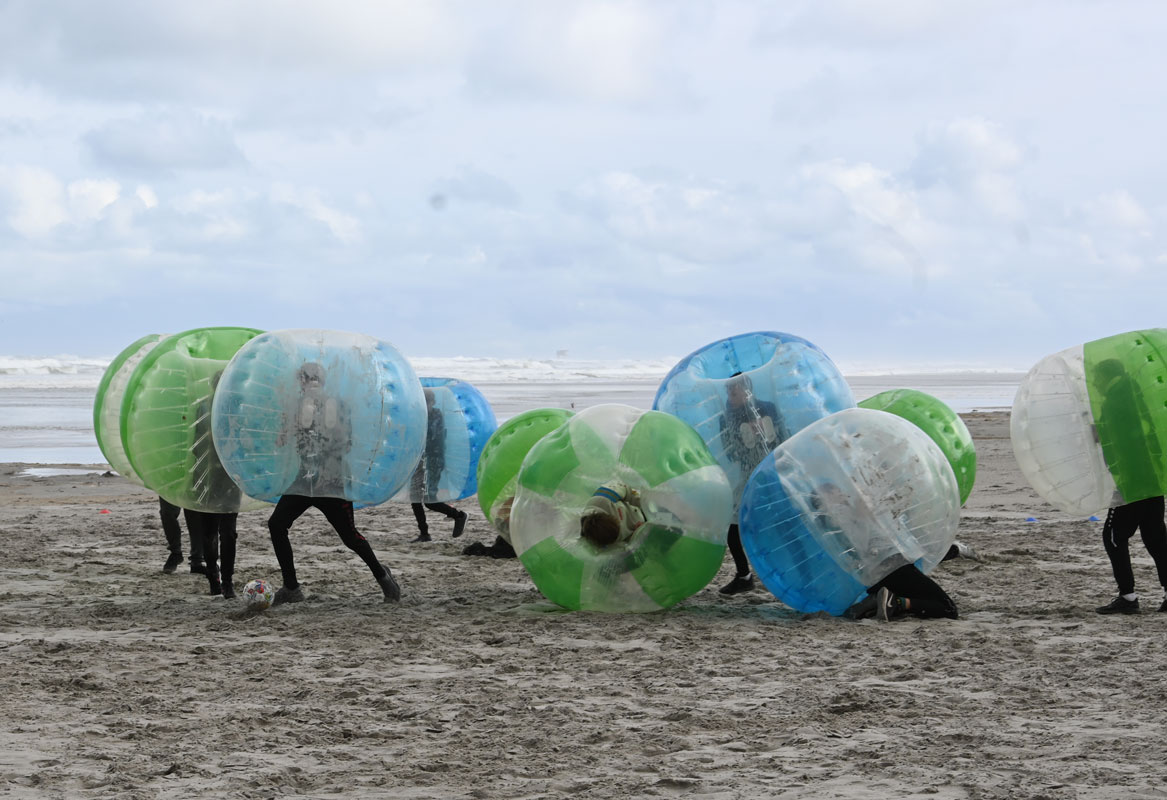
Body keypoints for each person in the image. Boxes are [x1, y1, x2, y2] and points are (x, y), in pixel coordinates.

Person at [267, 362, 400, 605]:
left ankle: (383, 576)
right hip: (305, 480)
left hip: (331, 482)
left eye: (306, 380)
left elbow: (345, 444)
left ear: (305, 381)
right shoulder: (298, 406)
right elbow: (283, 440)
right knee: (277, 524)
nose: (306, 385)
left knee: (350, 537)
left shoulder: (336, 405)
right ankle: (291, 587)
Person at [718, 372, 783, 595]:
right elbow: (730, 454)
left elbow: (784, 440)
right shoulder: (725, 417)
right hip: (748, 476)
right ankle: (743, 576)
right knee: (733, 527)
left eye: (734, 389)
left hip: (773, 474)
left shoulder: (767, 408)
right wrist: (744, 436)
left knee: (783, 524)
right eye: (728, 389)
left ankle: (796, 572)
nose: (730, 393)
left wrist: (766, 431)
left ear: (747, 390)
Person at [409, 389, 468, 543]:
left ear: (433, 403)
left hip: (433, 461)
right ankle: (424, 533)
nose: (424, 406)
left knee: (430, 501)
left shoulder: (436, 416)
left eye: (427, 403)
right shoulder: (418, 416)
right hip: (419, 461)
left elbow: (432, 438)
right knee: (415, 498)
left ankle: (459, 515)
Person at [1095, 496, 1167, 614]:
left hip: (1129, 490)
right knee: (1156, 539)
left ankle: (1127, 597)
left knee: (1113, 537)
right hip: (1154, 489)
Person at [579, 482, 646, 549]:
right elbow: (623, 546)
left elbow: (624, 488)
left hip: (641, 510)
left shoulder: (602, 499)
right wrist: (635, 534)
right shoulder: (597, 540)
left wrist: (642, 504)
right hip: (640, 529)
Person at [160, 497, 205, 574]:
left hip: (194, 489)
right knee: (167, 512)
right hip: (170, 489)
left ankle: (197, 559)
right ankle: (176, 553)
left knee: (196, 515)